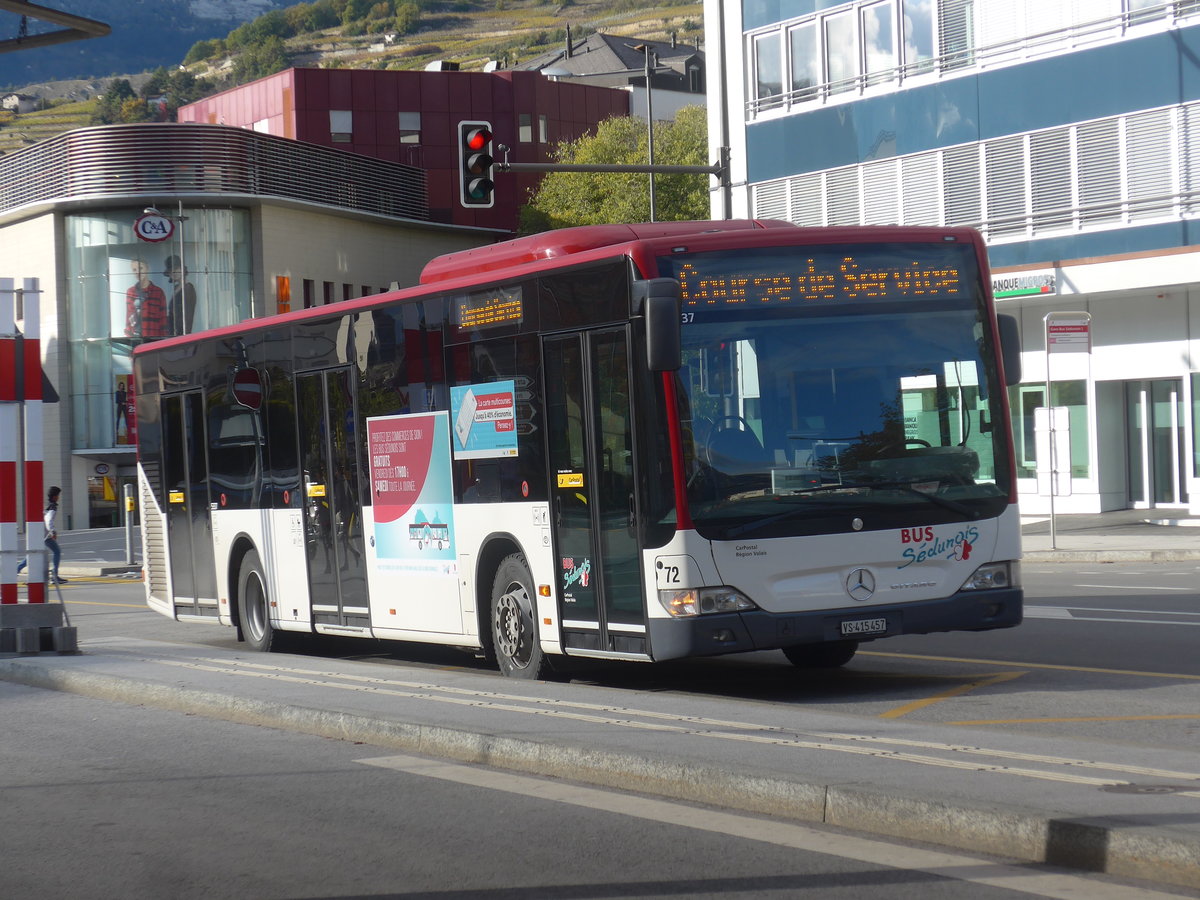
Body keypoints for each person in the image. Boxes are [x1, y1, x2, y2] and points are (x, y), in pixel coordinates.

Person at [16, 486, 67, 584]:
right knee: (57, 551)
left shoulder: (47, 505)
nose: (59, 497)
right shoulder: (53, 506)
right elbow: (48, 520)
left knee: (32, 554)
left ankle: (15, 570)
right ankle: (54, 576)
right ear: (55, 496)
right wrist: (52, 531)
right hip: (45, 534)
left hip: (40, 533)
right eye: (58, 495)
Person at [125, 257, 168, 340]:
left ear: (147, 268)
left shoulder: (158, 292)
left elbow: (163, 320)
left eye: (140, 268)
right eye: (134, 270)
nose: (138, 272)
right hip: (136, 339)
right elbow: (129, 318)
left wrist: (162, 341)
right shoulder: (131, 292)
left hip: (154, 340)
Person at [164, 254, 196, 335]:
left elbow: (188, 316)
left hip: (181, 334)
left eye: (176, 268)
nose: (174, 273)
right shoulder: (176, 288)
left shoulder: (188, 288)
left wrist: (183, 336)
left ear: (182, 269)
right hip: (172, 333)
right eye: (171, 271)